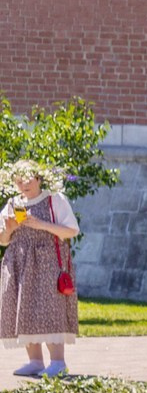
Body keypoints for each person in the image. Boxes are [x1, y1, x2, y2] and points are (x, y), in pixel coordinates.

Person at [0, 160, 80, 377]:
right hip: (19, 262)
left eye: (26, 180)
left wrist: (40, 224)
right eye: (18, 181)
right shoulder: (12, 203)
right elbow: (3, 240)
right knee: (23, 307)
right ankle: (35, 361)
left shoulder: (54, 199)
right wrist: (9, 229)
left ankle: (58, 362)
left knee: (49, 306)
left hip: (47, 263)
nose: (22, 185)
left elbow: (72, 231)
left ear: (38, 178)